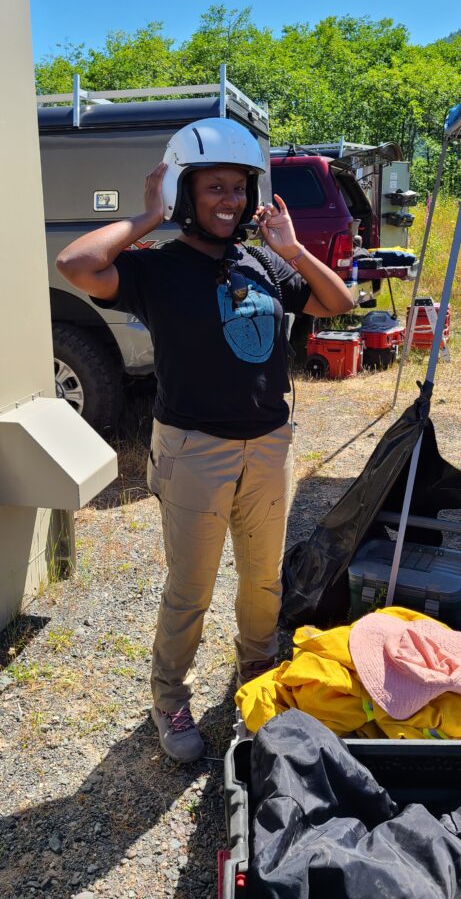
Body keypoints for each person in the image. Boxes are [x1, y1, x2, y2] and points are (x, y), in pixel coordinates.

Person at [56, 117, 354, 763]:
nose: (229, 200)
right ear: (186, 194)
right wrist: (146, 215)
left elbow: (337, 303)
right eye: (213, 187)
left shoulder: (263, 264)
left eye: (238, 188)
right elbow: (75, 264)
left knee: (261, 582)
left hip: (268, 445)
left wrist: (293, 248)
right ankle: (169, 697)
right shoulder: (158, 271)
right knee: (189, 588)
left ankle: (255, 673)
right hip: (194, 448)